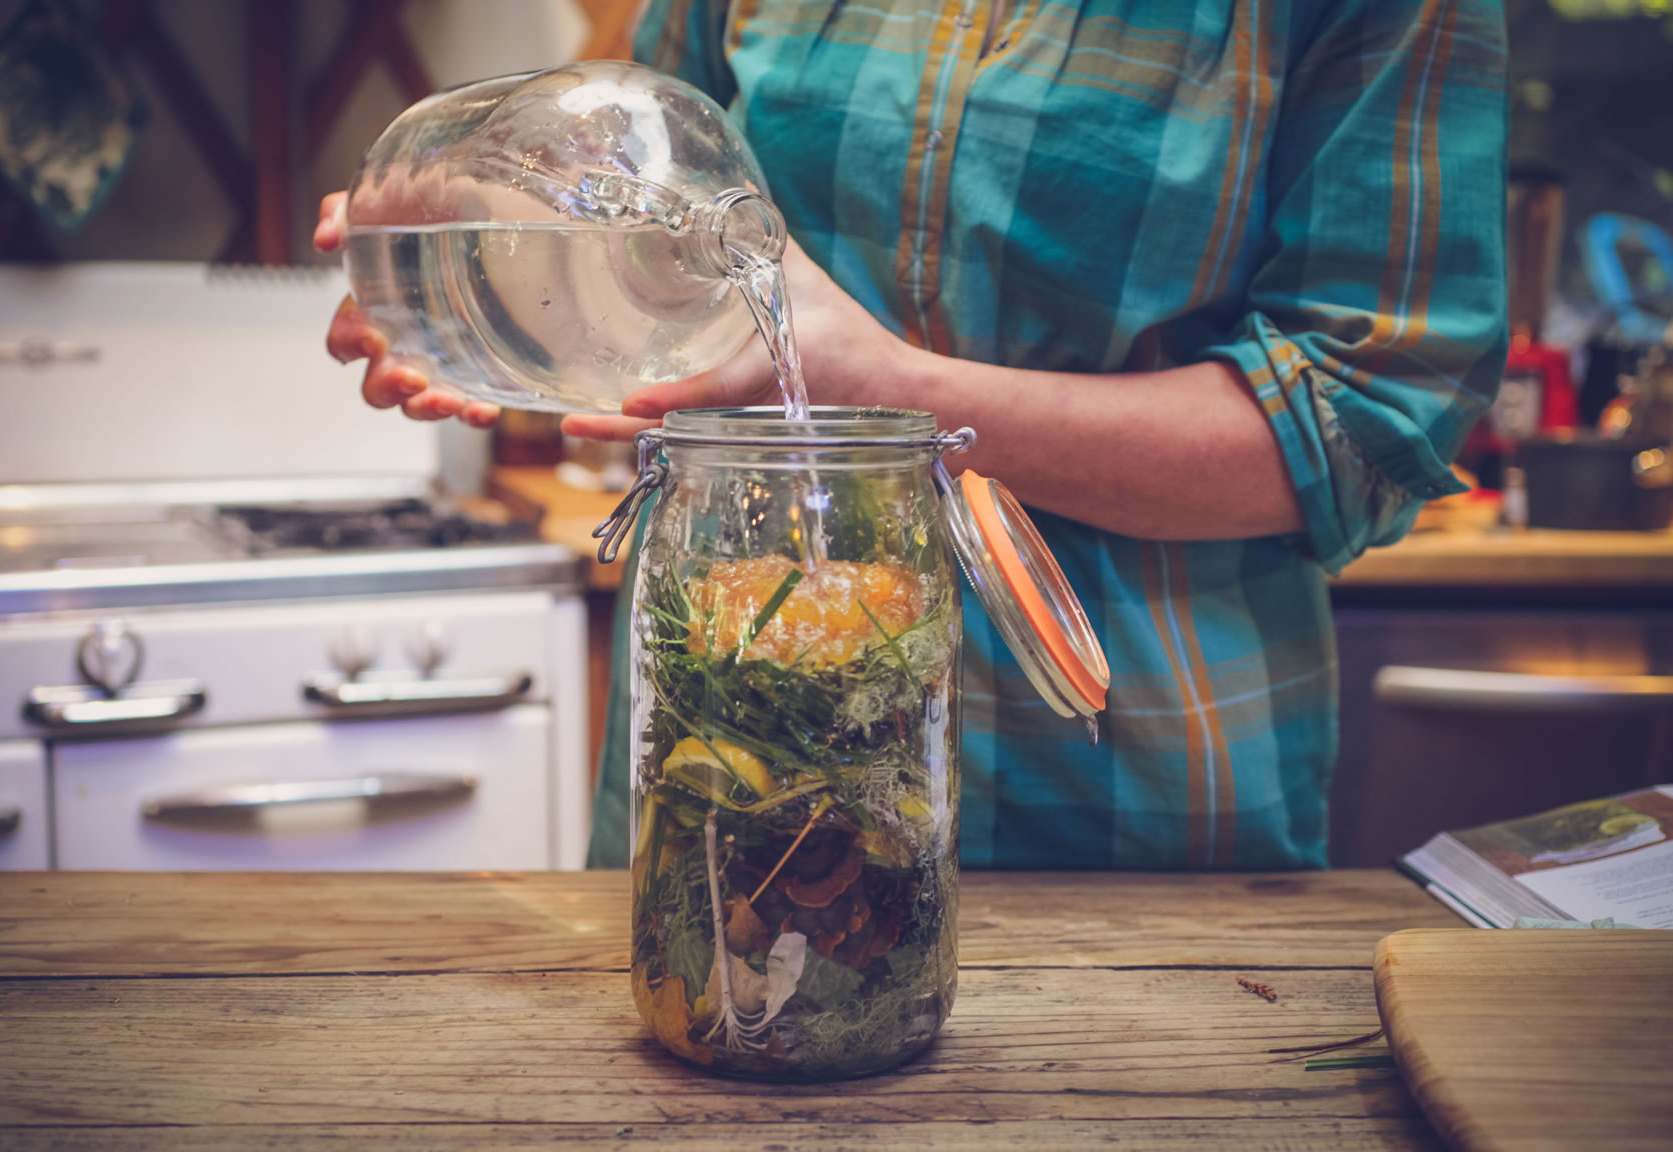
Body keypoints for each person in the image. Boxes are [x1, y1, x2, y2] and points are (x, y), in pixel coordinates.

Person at [319, 0, 1509, 871]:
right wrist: (478, 244)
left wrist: (886, 386)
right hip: (733, 753)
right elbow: (640, 191)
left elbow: (1360, 425)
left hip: (1118, 796)